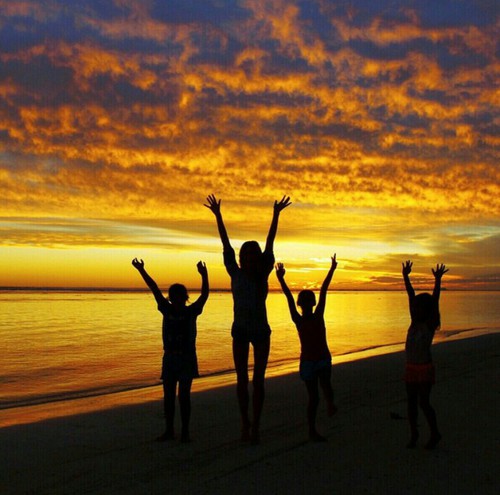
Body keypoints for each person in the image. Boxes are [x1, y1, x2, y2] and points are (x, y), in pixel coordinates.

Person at [204, 194, 291, 444]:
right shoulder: (235, 272)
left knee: (258, 380)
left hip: (261, 331)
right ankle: (245, 424)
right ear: (243, 259)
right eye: (248, 256)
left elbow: (270, 242)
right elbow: (226, 245)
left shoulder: (263, 274)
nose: (251, 259)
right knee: (241, 379)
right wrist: (218, 216)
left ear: (258, 258)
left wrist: (276, 215)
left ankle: (256, 426)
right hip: (240, 330)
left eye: (255, 255)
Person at [131, 258, 209, 443]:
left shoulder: (191, 311)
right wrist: (141, 270)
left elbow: (205, 295)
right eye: (173, 296)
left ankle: (185, 432)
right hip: (170, 358)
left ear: (184, 297)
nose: (176, 299)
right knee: (168, 397)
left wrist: (204, 275)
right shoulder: (166, 309)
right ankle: (169, 430)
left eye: (179, 296)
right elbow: (154, 289)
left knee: (183, 397)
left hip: (187, 358)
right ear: (171, 298)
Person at [275, 256, 338, 441]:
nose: (308, 303)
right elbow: (287, 296)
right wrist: (281, 279)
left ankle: (330, 404)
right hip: (309, 362)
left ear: (313, 303)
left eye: (310, 299)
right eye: (305, 300)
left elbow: (324, 290)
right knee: (314, 397)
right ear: (301, 304)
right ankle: (312, 429)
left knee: (326, 387)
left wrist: (332, 269)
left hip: (322, 359)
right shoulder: (299, 319)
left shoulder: (318, 315)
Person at [402, 260, 448, 449]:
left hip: (424, 368)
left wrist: (437, 281)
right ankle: (414, 434)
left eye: (420, 307)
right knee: (411, 403)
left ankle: (434, 432)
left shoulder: (428, 325)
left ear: (426, 310)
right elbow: (410, 295)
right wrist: (406, 276)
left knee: (423, 402)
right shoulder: (413, 322)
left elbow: (435, 300)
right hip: (411, 368)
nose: (415, 309)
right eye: (415, 307)